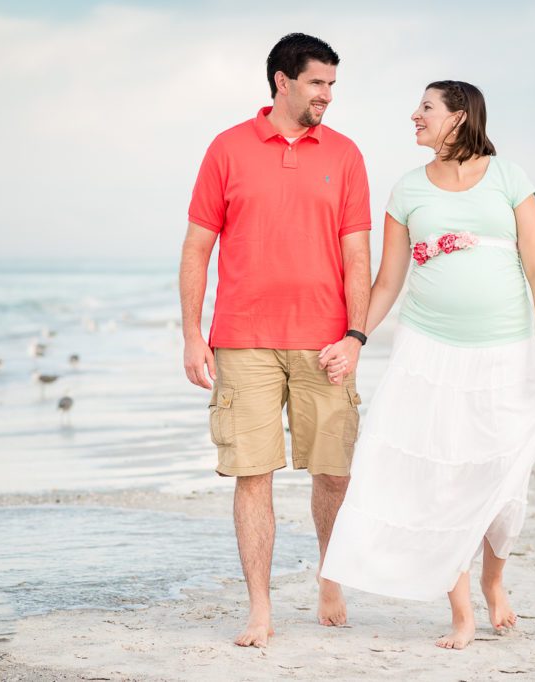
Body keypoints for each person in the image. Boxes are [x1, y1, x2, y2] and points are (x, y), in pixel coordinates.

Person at [319, 80, 535, 650]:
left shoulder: (508, 178)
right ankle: (461, 614)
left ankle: (493, 580)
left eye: (426, 108)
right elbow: (388, 281)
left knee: (503, 476)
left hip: (507, 353)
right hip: (427, 354)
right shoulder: (407, 190)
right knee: (440, 478)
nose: (415, 116)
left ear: (459, 117)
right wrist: (355, 336)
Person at [179, 33, 372, 648]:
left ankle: (328, 574)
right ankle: (260, 609)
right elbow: (197, 246)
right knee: (252, 473)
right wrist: (192, 335)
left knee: (333, 472)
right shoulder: (227, 148)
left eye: (332, 85)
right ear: (282, 81)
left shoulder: (344, 154)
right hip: (243, 341)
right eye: (318, 83)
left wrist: (356, 336)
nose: (328, 96)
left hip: (324, 341)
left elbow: (357, 254)